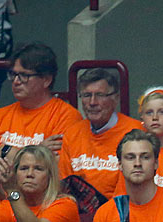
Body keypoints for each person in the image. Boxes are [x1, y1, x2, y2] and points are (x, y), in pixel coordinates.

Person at [59, 69, 139, 199]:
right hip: (80, 212)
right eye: (86, 95)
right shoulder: (72, 133)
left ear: (116, 98)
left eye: (100, 95)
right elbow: (65, 186)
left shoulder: (135, 132)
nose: (92, 102)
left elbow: (135, 188)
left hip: (121, 210)